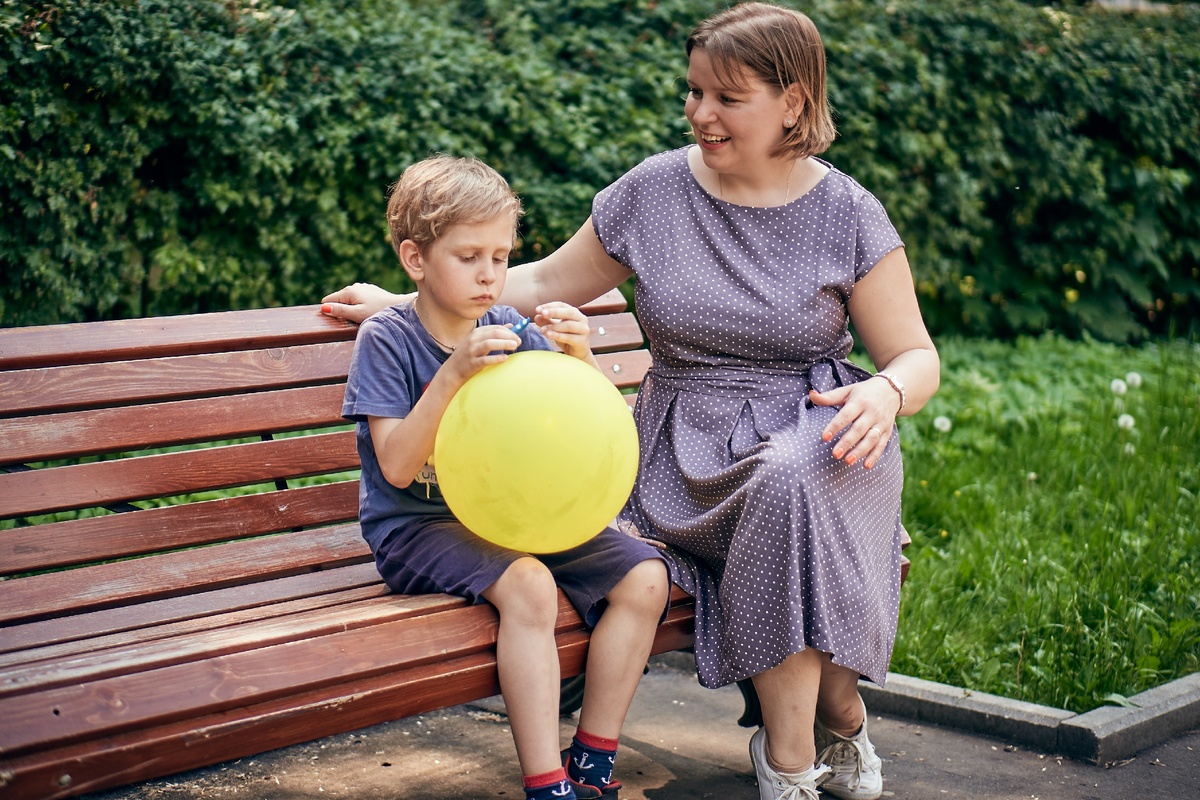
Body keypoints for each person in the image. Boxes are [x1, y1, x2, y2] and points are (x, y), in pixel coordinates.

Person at [324, 5, 940, 799]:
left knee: (792, 481)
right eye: (693, 93)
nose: (699, 114)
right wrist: (404, 302)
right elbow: (540, 280)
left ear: (793, 102)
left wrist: (887, 393)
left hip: (818, 431)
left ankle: (838, 716)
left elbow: (916, 356)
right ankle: (793, 762)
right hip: (679, 450)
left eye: (726, 97)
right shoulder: (655, 190)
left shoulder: (848, 212)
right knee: (759, 513)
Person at [341, 154, 670, 800]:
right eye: (469, 257)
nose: (490, 275)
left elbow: (570, 431)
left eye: (500, 256)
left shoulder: (509, 327)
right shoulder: (388, 340)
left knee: (646, 577)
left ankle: (594, 760)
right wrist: (453, 376)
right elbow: (398, 466)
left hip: (514, 513)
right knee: (529, 586)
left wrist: (581, 358)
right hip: (419, 526)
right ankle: (546, 784)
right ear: (415, 260)